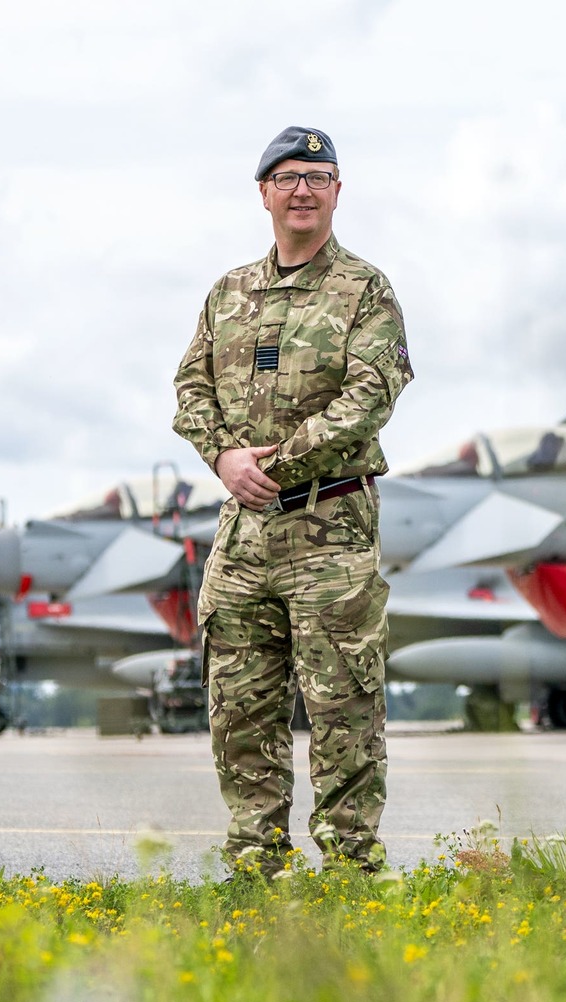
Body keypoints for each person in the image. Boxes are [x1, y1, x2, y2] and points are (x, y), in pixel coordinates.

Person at [172, 125, 413, 877]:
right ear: (265, 193)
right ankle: (256, 865)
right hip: (242, 540)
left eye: (317, 175)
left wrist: (279, 461)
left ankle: (349, 874)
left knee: (343, 708)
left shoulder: (365, 291)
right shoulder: (229, 292)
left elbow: (373, 394)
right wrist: (222, 455)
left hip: (330, 530)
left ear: (337, 191)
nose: (302, 189)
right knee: (240, 707)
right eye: (288, 177)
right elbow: (191, 388)